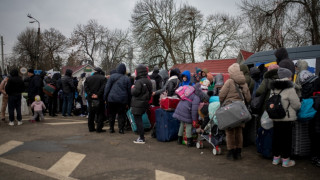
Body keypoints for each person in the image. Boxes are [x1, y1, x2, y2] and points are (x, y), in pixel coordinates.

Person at [219, 63, 251, 160]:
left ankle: (231, 152)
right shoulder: (244, 83)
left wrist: (223, 103)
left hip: (230, 109)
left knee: (229, 131)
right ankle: (238, 152)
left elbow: (221, 95)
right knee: (239, 131)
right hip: (240, 110)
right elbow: (248, 98)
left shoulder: (229, 82)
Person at [270, 68, 300, 167]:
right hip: (286, 118)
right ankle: (286, 161)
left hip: (275, 117)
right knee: (286, 139)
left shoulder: (273, 87)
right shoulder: (290, 89)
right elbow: (296, 105)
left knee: (276, 138)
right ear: (288, 77)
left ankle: (275, 159)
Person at [104, 63, 131, 134]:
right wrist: (129, 102)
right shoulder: (127, 78)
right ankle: (121, 129)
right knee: (121, 114)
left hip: (112, 99)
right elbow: (129, 91)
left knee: (111, 114)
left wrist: (105, 97)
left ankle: (111, 129)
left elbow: (107, 88)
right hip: (122, 99)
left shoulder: (112, 77)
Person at [131, 64, 152, 144]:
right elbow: (150, 93)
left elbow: (135, 92)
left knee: (138, 120)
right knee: (140, 119)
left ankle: (141, 137)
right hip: (144, 103)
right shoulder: (148, 81)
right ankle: (141, 136)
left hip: (137, 103)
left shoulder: (138, 81)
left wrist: (132, 88)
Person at [85, 68, 107, 133]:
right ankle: (99, 128)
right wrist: (98, 94)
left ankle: (91, 128)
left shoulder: (88, 78)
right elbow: (103, 88)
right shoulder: (103, 78)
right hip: (99, 98)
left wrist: (91, 94)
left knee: (91, 113)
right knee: (100, 113)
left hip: (90, 98)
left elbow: (86, 88)